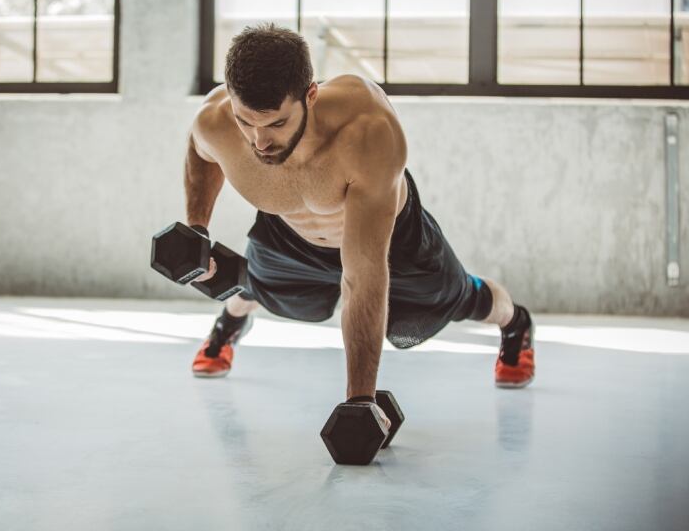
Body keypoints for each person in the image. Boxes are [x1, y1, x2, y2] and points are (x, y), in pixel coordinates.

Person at [184, 24, 535, 426]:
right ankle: (229, 324)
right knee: (252, 282)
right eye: (247, 123)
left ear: (310, 95)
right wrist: (197, 228)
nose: (259, 142)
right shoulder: (215, 122)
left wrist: (359, 401)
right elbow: (200, 153)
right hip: (288, 231)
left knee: (464, 300)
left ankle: (516, 325)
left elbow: (363, 276)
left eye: (277, 124)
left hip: (392, 241)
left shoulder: (368, 132)